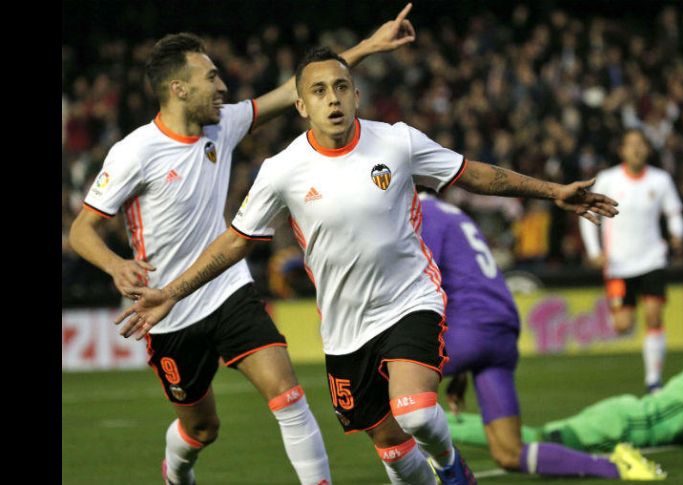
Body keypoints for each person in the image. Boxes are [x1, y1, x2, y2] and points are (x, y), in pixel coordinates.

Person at [114, 45, 619, 485]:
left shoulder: (397, 141)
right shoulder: (281, 171)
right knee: (393, 450)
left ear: (356, 95)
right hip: (344, 331)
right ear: (300, 104)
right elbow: (233, 243)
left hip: (411, 301)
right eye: (319, 91)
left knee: (416, 412)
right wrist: (173, 292)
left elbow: (475, 174)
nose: (332, 98)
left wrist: (554, 192)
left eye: (341, 87)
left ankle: (450, 465)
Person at [68, 6, 418, 484]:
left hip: (227, 289)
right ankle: (177, 471)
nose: (222, 87)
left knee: (288, 394)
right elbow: (80, 231)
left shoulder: (223, 126)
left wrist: (365, 48)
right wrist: (114, 265)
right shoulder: (135, 151)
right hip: (167, 309)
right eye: (210, 78)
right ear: (179, 89)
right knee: (202, 428)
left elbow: (294, 91)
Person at [418, 190, 666, 480]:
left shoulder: (421, 216)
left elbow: (426, 282)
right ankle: (618, 466)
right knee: (509, 452)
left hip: (470, 328)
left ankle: (443, 473)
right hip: (501, 329)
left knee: (387, 388)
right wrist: (460, 367)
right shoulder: (454, 214)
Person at [579, 129, 683, 392]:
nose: (637, 149)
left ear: (648, 149)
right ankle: (629, 312)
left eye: (641, 144)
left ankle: (653, 381)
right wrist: (594, 252)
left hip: (652, 258)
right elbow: (588, 214)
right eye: (631, 145)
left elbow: (674, 212)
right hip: (618, 263)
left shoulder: (660, 180)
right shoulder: (608, 179)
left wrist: (677, 234)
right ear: (622, 150)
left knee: (653, 316)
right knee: (623, 325)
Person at [449, 354, 683, 453]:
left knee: (530, 439)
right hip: (620, 426)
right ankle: (442, 424)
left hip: (623, 417)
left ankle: (438, 420)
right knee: (532, 441)